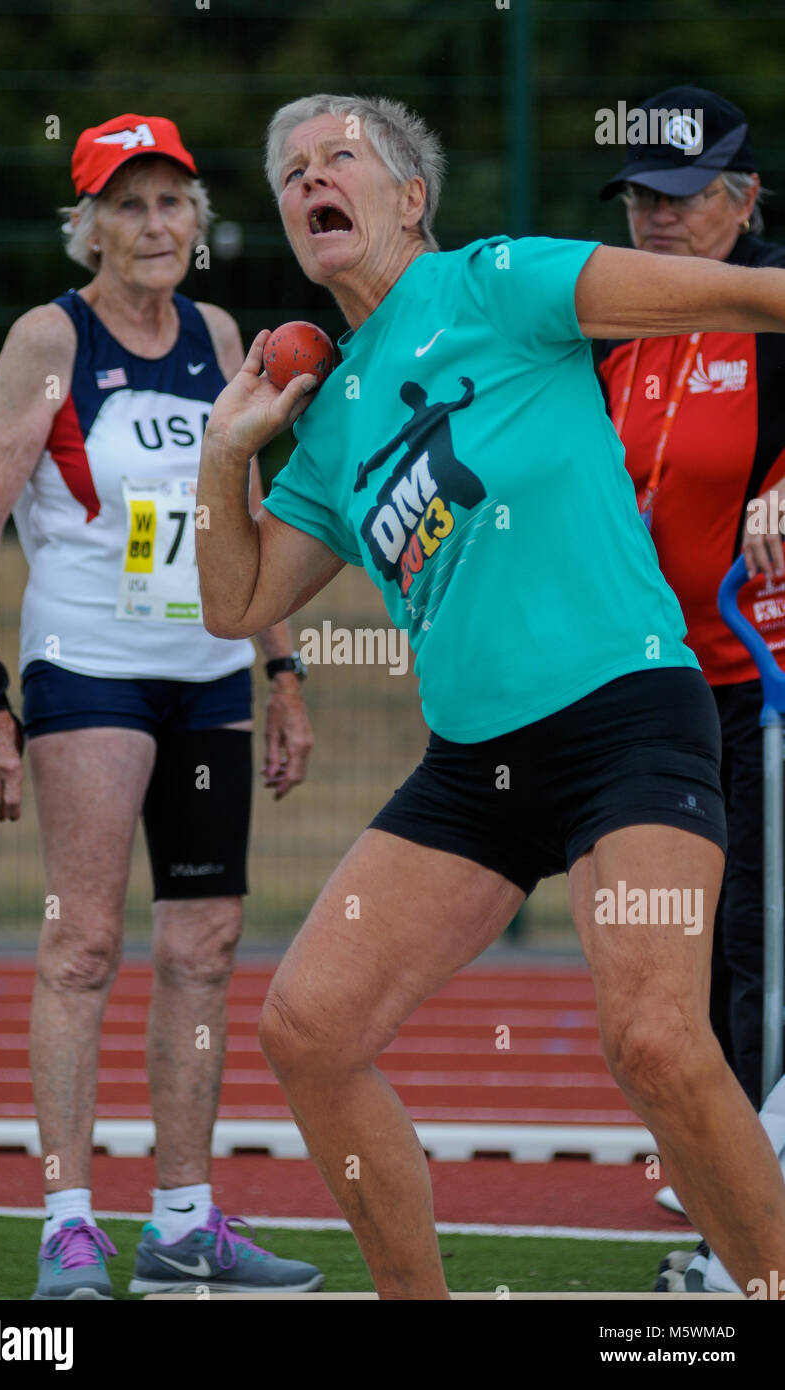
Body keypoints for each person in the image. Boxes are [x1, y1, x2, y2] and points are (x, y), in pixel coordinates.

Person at [194, 92, 785, 1301]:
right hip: (476, 770)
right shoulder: (333, 415)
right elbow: (237, 600)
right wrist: (223, 452)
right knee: (306, 1030)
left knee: (657, 1042)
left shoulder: (500, 281)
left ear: (409, 198)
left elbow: (750, 295)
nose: (310, 176)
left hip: (626, 715)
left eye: (337, 157)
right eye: (290, 170)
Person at [0, 113, 322, 1299]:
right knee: (83, 942)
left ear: (195, 219)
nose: (155, 225)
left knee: (204, 947)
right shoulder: (45, 339)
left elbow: (240, 510)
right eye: (128, 205)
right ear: (90, 226)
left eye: (171, 203)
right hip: (87, 669)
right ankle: (67, 1221)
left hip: (207, 674)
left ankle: (181, 1218)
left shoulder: (217, 334)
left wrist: (281, 668)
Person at [597, 87, 785, 1234]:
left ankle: (753, 1178)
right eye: (637, 199)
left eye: (677, 197)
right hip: (646, 688)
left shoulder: (771, 300)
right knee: (682, 940)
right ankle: (719, 1164)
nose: (655, 223)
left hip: (762, 681)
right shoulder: (609, 317)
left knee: (763, 935)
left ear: (741, 196)